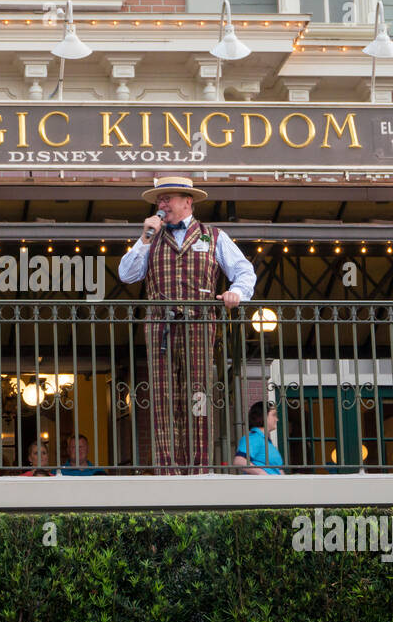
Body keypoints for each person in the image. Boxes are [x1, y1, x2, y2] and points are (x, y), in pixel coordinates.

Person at [118, 175, 257, 475]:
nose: (162, 204)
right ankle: (167, 471)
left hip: (199, 325)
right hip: (161, 328)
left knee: (199, 396)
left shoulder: (214, 236)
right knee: (163, 396)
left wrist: (237, 293)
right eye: (159, 199)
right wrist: (144, 238)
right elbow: (126, 274)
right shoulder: (150, 237)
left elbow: (245, 271)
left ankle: (198, 469)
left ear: (187, 202)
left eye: (168, 198)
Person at [232, 400, 284, 475]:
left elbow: (277, 469)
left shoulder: (265, 440)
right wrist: (264, 475)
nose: (277, 419)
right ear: (263, 416)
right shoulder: (254, 438)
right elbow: (239, 461)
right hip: (262, 485)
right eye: (273, 415)